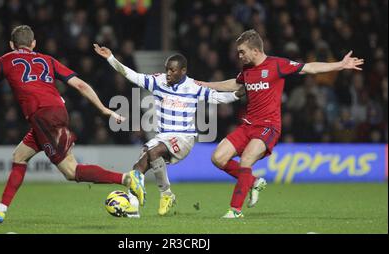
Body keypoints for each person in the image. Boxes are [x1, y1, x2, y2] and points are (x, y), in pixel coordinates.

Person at [0, 25, 145, 225]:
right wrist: (104, 109)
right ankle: (0, 211)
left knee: (71, 171)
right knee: (19, 156)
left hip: (43, 117)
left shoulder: (4, 60)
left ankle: (127, 178)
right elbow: (81, 84)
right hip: (55, 112)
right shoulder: (48, 60)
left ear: (11, 45)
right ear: (33, 44)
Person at [197, 29, 364, 218]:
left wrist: (340, 65)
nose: (239, 55)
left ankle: (235, 210)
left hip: (268, 126)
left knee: (246, 160)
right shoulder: (247, 69)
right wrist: (207, 84)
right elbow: (236, 84)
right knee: (217, 158)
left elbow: (309, 68)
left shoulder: (277, 65)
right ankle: (253, 181)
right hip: (248, 126)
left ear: (255, 51)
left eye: (242, 51)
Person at [94, 44, 246, 215]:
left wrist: (235, 95)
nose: (168, 74)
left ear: (183, 71)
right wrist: (110, 58)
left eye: (173, 71)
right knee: (138, 167)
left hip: (184, 138)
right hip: (163, 136)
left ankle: (165, 193)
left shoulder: (193, 86)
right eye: (167, 70)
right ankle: (132, 208)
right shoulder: (158, 81)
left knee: (154, 152)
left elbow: (217, 98)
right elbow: (132, 75)